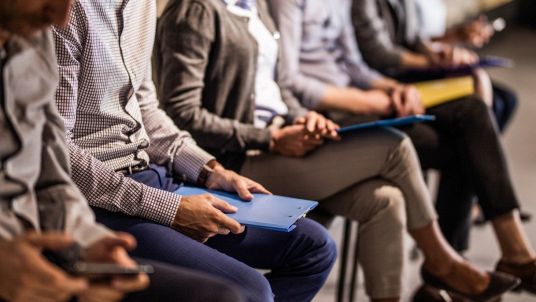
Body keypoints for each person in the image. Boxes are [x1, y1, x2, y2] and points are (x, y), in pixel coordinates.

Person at [154, 0, 520, 301]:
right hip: (242, 158)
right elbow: (181, 112)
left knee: (385, 199)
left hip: (283, 136)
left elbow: (280, 90)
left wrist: (307, 119)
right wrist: (270, 138)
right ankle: (441, 261)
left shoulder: (255, 7)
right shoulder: (198, 10)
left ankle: (429, 274)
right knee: (396, 147)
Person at [52, 1, 337, 301]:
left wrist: (210, 170)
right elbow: (58, 151)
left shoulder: (142, 4)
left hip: (154, 177)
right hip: (101, 202)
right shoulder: (65, 12)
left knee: (314, 247)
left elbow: (146, 109)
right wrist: (170, 209)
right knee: (252, 291)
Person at [270, 0, 536, 296]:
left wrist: (391, 88)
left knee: (472, 114)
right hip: (326, 114)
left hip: (358, 96)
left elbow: (354, 65)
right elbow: (290, 80)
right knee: (467, 145)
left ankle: (497, 255)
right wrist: (373, 100)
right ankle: (455, 271)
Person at [0, 1, 244, 302]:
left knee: (247, 282)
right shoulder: (53, 27)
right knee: (238, 293)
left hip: (54, 233)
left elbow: (50, 176)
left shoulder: (29, 44)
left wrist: (91, 242)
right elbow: (65, 154)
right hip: (81, 207)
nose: (61, 16)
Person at [351, 0, 517, 132]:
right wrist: (433, 60)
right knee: (477, 103)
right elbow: (378, 54)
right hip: (391, 72)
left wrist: (436, 54)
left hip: (412, 64)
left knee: (506, 99)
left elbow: (415, 37)